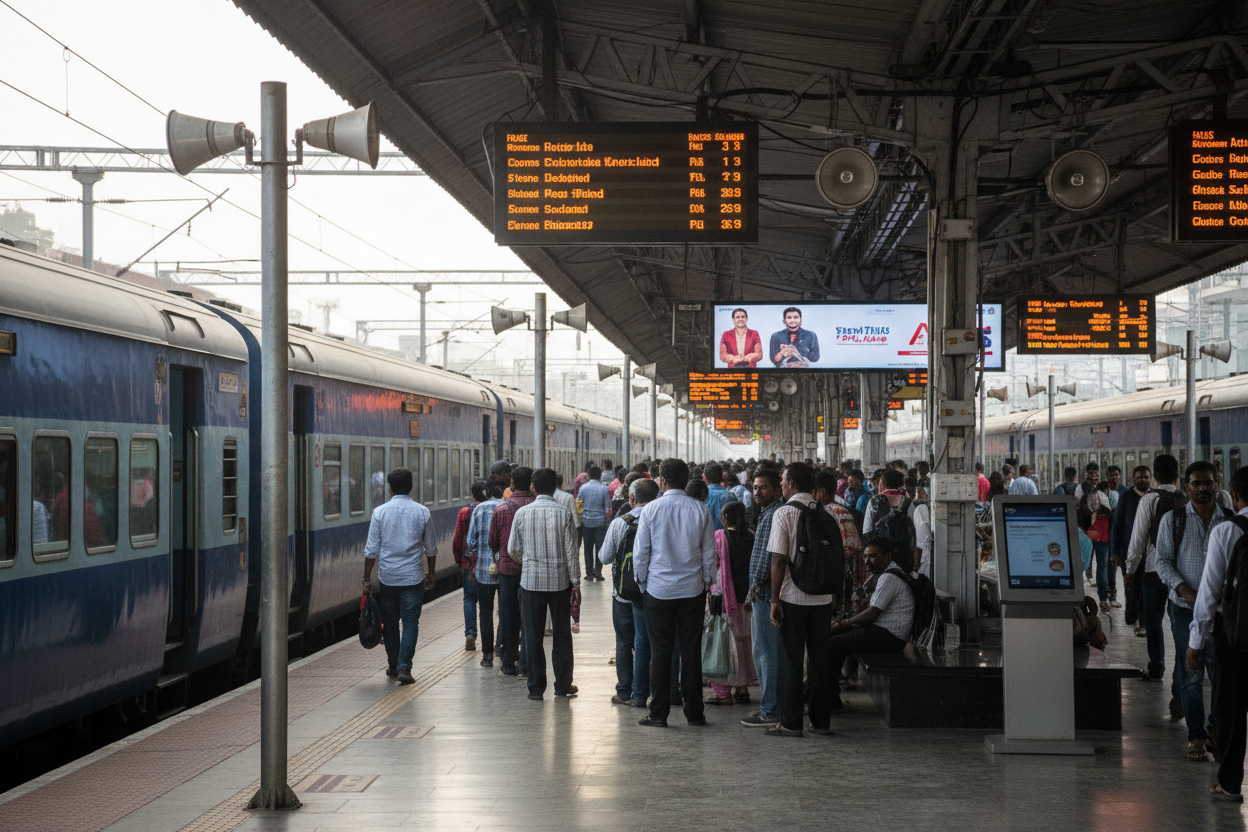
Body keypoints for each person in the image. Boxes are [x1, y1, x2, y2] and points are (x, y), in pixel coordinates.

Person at [633, 458, 716, 727]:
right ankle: (695, 714)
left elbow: (641, 553)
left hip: (658, 591)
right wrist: (705, 582)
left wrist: (644, 584)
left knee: (660, 653)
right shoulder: (701, 509)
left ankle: (658, 713)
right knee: (690, 652)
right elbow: (708, 552)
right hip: (692, 591)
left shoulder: (651, 510)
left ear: (662, 480)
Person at [1156, 460, 1228, 761]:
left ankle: (1215, 729)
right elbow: (1162, 561)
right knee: (1191, 674)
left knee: (1221, 675)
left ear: (1217, 485)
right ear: (1186, 487)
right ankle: (1196, 736)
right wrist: (1183, 589)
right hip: (1184, 609)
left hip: (1222, 613)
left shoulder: (1230, 522)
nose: (1202, 488)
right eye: (1196, 483)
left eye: (1208, 482)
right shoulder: (1173, 521)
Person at [765, 462, 840, 737]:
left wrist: (774, 600)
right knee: (820, 661)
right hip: (822, 598)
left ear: (793, 484)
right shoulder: (826, 513)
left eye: (784, 481)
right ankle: (821, 722)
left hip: (793, 597)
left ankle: (790, 722)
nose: (782, 485)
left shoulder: (784, 513)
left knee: (791, 661)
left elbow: (778, 558)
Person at [1188, 465, 1248, 802]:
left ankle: (1228, 782)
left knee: (1231, 711)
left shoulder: (1227, 531)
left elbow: (1210, 591)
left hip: (1236, 636)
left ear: (1235, 497)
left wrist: (1196, 641)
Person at [508, 467, 581, 701]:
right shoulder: (563, 513)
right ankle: (562, 685)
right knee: (561, 636)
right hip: (560, 584)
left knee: (533, 635)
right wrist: (576, 583)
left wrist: (528, 561)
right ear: (555, 486)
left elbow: (512, 549)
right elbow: (572, 552)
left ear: (533, 486)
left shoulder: (522, 513)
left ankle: (535, 688)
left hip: (530, 583)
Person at [362, 468, 437, 685]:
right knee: (411, 621)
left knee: (391, 622)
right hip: (413, 578)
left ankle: (393, 665)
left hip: (388, 578)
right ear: (411, 486)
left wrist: (366, 578)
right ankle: (405, 666)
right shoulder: (422, 512)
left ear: (390, 487)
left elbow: (371, 550)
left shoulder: (380, 512)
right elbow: (431, 549)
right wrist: (430, 573)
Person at [827, 539, 916, 710]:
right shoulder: (888, 574)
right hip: (883, 631)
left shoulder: (889, 577)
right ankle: (827, 693)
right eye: (866, 557)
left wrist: (846, 623)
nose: (867, 562)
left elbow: (872, 614)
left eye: (873, 556)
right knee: (833, 637)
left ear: (887, 556)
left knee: (832, 645)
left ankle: (829, 698)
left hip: (889, 636)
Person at [601, 477, 661, 707]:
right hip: (655, 591)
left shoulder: (620, 522)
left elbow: (604, 557)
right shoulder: (659, 518)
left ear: (631, 498)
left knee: (625, 641)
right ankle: (654, 689)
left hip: (624, 593)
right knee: (651, 641)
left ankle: (626, 691)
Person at [1126, 454, 1183, 697]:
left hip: (1154, 570)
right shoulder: (1185, 499)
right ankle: (1181, 673)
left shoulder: (1149, 500)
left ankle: (1156, 667)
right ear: (1177, 476)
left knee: (1153, 620)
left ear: (1155, 477)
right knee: (1180, 623)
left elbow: (1138, 538)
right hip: (1183, 574)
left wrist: (1130, 569)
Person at [742, 467, 784, 727]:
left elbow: (765, 561)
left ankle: (770, 709)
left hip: (766, 593)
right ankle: (775, 705)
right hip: (768, 593)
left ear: (777, 489)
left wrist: (753, 591)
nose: (757, 492)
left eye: (763, 488)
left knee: (766, 652)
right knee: (769, 652)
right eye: (755, 488)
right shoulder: (771, 513)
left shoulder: (771, 517)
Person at [705, 500, 758, 706]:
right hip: (747, 599)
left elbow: (712, 565)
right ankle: (742, 689)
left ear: (724, 518)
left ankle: (723, 692)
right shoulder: (752, 535)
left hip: (724, 599)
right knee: (745, 643)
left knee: (723, 643)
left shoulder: (719, 537)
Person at [490, 466, 534, 678]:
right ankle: (525, 664)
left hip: (507, 572)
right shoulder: (537, 507)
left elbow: (493, 542)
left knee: (508, 617)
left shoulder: (501, 509)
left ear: (512, 484)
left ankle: (508, 663)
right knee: (529, 619)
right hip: (532, 571)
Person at [467, 475, 506, 667]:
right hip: (506, 569)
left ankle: (487, 655)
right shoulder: (508, 508)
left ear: (487, 491)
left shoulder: (479, 509)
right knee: (505, 609)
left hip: (483, 570)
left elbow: (471, 542)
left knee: (485, 611)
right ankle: (501, 646)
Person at [1112, 465, 1152, 637]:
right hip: (1129, 552)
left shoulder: (1154, 496)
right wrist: (1115, 551)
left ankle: (1142, 622)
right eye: (1139, 477)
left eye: (1146, 477)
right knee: (1131, 587)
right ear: (1133, 479)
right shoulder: (1126, 497)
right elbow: (1117, 526)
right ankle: (1132, 614)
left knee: (1144, 588)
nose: (1143, 480)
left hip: (1150, 552)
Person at [812, 470, 865, 596]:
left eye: (814, 491)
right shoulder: (844, 510)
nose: (812, 495)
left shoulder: (830, 512)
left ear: (822, 491)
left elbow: (849, 549)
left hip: (834, 573)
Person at [452, 480, 486, 652]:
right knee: (487, 602)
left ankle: (470, 633)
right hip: (488, 564)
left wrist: (460, 561)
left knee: (469, 598)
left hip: (469, 563)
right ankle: (490, 639)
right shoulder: (491, 510)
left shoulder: (465, 512)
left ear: (472, 494)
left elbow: (457, 539)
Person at [579, 466, 610, 581]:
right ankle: (598, 572)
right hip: (600, 522)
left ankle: (589, 573)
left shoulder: (583, 488)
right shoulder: (604, 489)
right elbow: (607, 507)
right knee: (599, 548)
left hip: (586, 521)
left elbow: (579, 505)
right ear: (600, 476)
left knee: (587, 548)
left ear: (589, 475)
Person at [704, 463, 736, 531]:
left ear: (705, 478)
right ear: (722, 477)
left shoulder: (701, 496)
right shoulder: (730, 496)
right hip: (726, 539)